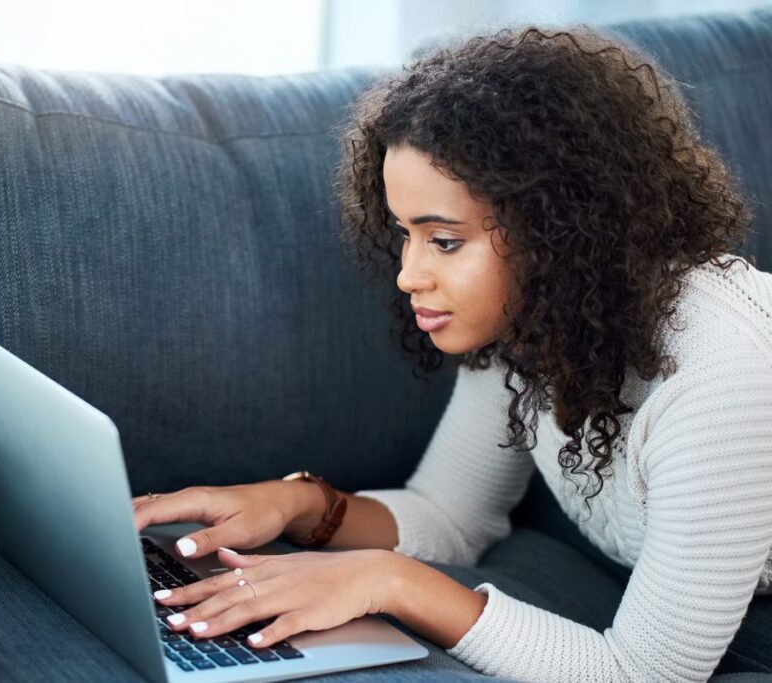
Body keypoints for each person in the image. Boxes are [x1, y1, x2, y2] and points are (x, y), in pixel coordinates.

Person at [131, 24, 772, 681]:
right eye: (405, 234)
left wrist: (388, 580)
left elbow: (647, 672)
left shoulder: (718, 373)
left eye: (443, 241)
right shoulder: (543, 315)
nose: (408, 274)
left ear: (556, 227)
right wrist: (298, 504)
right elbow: (451, 515)